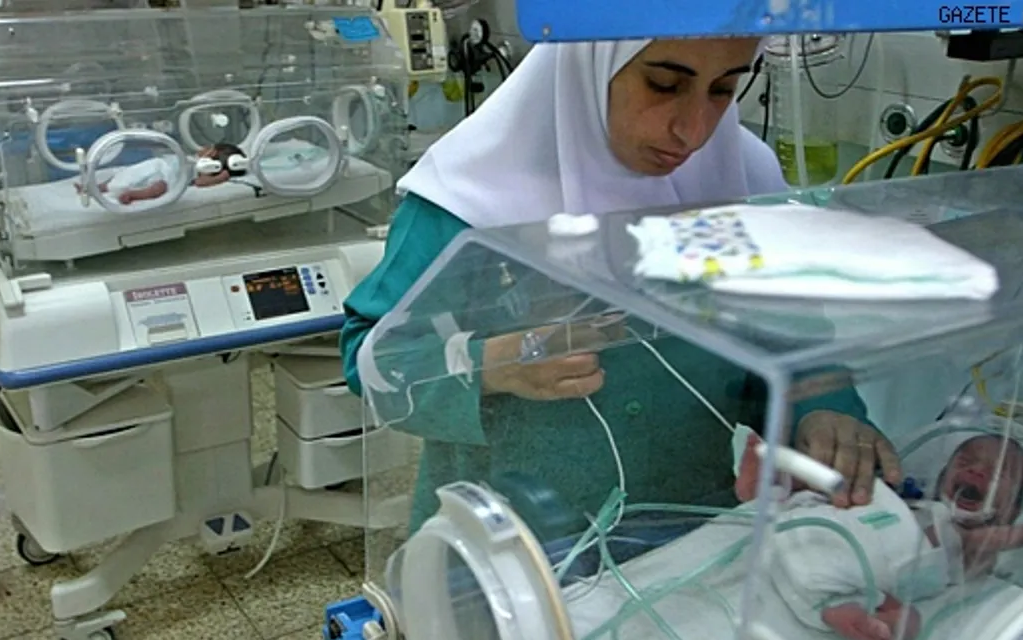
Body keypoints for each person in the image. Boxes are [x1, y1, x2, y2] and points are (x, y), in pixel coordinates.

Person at [340, 39, 903, 534]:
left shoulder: (741, 179)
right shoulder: (468, 197)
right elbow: (373, 357)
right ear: (590, 63)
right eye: (664, 85)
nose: (694, 131)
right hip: (507, 547)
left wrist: (820, 408)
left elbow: (786, 334)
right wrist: (495, 364)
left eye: (723, 90)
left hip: (686, 531)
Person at [735, 432, 1023, 640]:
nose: (976, 470)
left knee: (907, 620)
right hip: (839, 530)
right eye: (966, 461)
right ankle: (767, 490)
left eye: (997, 473)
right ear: (942, 478)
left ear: (1011, 512)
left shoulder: (973, 542)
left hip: (870, 566)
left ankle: (866, 622)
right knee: (824, 496)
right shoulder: (920, 507)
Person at [76, 143, 244, 205]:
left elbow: (200, 183)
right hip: (158, 165)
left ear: (212, 154)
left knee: (158, 189)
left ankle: (134, 195)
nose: (202, 148)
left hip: (168, 178)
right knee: (127, 173)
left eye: (208, 148)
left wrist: (220, 178)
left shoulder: (201, 172)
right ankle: (96, 187)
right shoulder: (192, 158)